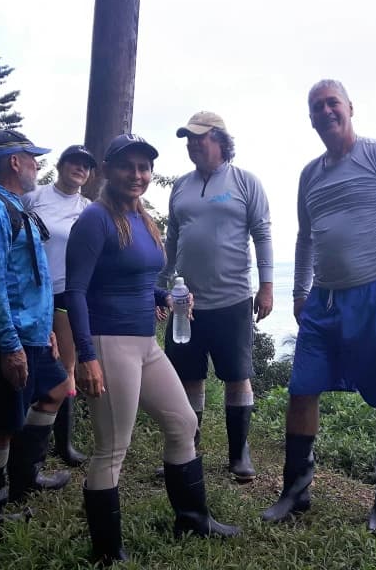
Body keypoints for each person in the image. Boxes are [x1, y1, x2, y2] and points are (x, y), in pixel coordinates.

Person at [261, 80, 376, 533]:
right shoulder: (309, 175)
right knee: (302, 388)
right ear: (311, 119)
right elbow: (305, 237)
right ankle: (295, 490)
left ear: (350, 108)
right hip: (324, 298)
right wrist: (299, 292)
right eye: (316, 107)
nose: (325, 111)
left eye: (332, 102)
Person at [66, 134, 240, 564]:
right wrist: (86, 356)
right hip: (109, 342)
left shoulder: (142, 219)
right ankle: (107, 553)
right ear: (108, 171)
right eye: (127, 166)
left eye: (144, 167)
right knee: (112, 447)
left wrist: (165, 297)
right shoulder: (95, 219)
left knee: (183, 422)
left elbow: (140, 280)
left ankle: (192, 520)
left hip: (145, 343)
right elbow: (76, 292)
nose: (137, 174)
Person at [0, 129, 72, 544]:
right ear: (14, 162)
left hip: (31, 332)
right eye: (32, 158)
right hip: (6, 335)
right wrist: (10, 346)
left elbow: (30, 277)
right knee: (3, 423)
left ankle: (26, 477)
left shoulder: (14, 204)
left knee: (56, 389)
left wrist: (45, 331)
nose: (37, 165)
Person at [158, 111, 273, 482]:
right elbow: (172, 239)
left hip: (233, 298)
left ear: (221, 140)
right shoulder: (181, 186)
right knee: (189, 377)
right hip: (185, 303)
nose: (192, 145)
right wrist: (161, 286)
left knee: (237, 377)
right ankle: (187, 450)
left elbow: (263, 234)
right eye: (188, 139)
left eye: (199, 138)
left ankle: (239, 454)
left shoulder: (245, 182)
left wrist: (267, 286)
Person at [23, 145, 97, 467]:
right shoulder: (34, 197)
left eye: (86, 166)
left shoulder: (88, 209)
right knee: (30, 361)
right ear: (61, 165)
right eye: (74, 162)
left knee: (67, 364)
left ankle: (63, 444)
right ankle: (23, 435)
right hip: (32, 291)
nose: (80, 168)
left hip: (68, 294)